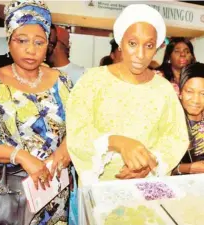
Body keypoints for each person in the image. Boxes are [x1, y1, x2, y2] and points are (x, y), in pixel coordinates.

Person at [66, 4, 189, 185]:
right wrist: (117, 142)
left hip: (147, 186)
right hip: (101, 188)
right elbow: (77, 134)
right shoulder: (92, 81)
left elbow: (175, 137)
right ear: (120, 43)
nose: (140, 54)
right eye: (132, 43)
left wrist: (151, 162)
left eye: (149, 45)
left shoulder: (163, 89)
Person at [0, 0, 73, 224]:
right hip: (9, 194)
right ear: (9, 41)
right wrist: (21, 156)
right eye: (22, 40)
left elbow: (80, 128)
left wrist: (63, 153)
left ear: (48, 46)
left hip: (54, 192)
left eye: (39, 42)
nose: (31, 49)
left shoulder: (62, 82)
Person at [172, 62, 204, 175]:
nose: (196, 100)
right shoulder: (171, 115)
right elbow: (156, 163)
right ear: (180, 92)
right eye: (189, 92)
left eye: (203, 94)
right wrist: (186, 168)